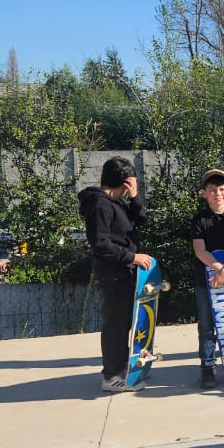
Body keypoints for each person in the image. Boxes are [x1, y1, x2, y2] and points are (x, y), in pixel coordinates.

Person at [78, 156, 153, 391]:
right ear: (124, 181)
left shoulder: (115, 202)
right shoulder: (100, 205)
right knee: (115, 325)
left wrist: (135, 198)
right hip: (113, 274)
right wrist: (132, 257)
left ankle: (121, 368)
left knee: (124, 324)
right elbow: (100, 243)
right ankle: (111, 377)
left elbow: (139, 221)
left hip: (125, 273)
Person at [190, 169, 224, 388]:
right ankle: (208, 367)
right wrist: (219, 270)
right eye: (212, 190)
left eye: (222, 189)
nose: (217, 194)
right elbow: (200, 251)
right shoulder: (199, 220)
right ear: (204, 193)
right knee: (206, 326)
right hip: (206, 280)